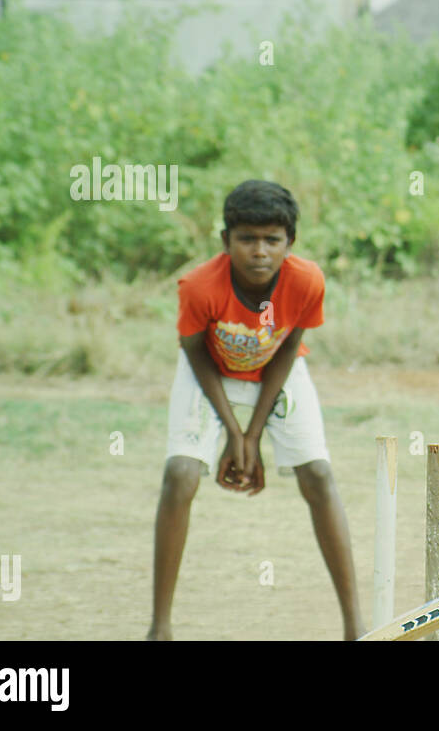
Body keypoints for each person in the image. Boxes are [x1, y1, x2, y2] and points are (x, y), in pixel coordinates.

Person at [147, 180, 363, 640]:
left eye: (272, 239)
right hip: (210, 370)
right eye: (247, 239)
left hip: (275, 369)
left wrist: (255, 433)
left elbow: (289, 349)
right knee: (181, 473)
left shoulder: (307, 281)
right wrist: (233, 431)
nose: (259, 251)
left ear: (290, 242)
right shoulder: (199, 285)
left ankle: (354, 626)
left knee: (319, 475)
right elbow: (193, 351)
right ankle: (160, 628)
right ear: (226, 241)